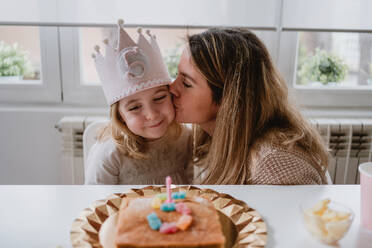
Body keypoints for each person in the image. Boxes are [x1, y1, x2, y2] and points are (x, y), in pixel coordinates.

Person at [170, 28, 329, 185]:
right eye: (176, 75)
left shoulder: (273, 164)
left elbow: (304, 211)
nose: (172, 88)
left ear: (228, 99)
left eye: (186, 83)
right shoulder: (216, 138)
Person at [85, 20, 192, 185]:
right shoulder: (109, 155)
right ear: (120, 116)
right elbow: (95, 202)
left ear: (171, 95)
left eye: (159, 98)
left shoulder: (185, 138)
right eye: (135, 107)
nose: (151, 114)